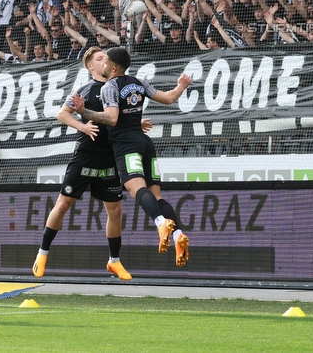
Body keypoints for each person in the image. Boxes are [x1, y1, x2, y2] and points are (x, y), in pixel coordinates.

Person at [69, 47, 193, 267]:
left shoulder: (109, 86)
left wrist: (84, 112)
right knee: (157, 196)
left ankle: (161, 224)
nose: (103, 64)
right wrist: (181, 86)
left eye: (105, 61)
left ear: (113, 67)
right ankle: (178, 235)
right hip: (145, 142)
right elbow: (168, 98)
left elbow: (112, 118)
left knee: (137, 190)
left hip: (126, 145)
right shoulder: (139, 82)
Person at [32, 47, 138, 281]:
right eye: (100, 59)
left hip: (110, 155)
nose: (105, 60)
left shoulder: (119, 87)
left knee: (116, 210)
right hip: (86, 155)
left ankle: (114, 261)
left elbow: (121, 117)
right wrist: (82, 126)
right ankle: (42, 253)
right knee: (63, 204)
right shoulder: (85, 90)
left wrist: (138, 124)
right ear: (90, 66)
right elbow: (62, 113)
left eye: (106, 58)